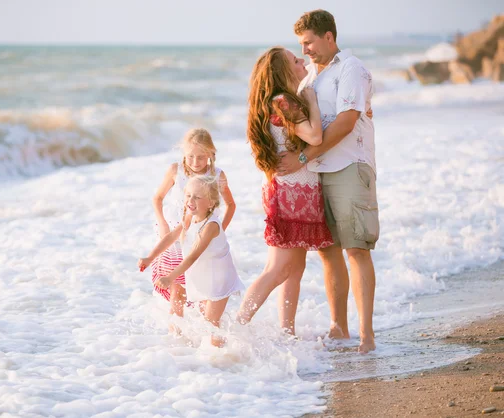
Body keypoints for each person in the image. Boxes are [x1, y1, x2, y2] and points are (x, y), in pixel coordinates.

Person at [277, 10, 379, 353]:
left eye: (308, 42)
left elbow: (348, 121)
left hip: (350, 166)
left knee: (356, 249)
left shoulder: (351, 68)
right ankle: (339, 329)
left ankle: (366, 336)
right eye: (301, 45)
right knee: (328, 252)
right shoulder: (310, 81)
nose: (305, 50)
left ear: (329, 37)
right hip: (319, 174)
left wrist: (303, 156)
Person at [235, 46, 334, 336]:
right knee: (278, 269)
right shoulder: (283, 102)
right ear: (283, 72)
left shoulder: (280, 101)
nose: (301, 60)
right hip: (292, 195)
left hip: (297, 193)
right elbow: (315, 136)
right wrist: (311, 100)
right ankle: (236, 326)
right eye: (294, 60)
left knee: (295, 268)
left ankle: (287, 332)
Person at [139, 175, 245, 347]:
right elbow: (171, 237)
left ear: (211, 203)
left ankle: (221, 360)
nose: (190, 200)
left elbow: (193, 255)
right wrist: (150, 257)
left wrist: (170, 277)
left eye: (197, 196)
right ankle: (221, 348)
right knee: (207, 319)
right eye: (188, 195)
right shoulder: (190, 217)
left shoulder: (211, 226)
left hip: (219, 279)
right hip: (203, 275)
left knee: (211, 324)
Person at [149, 128, 236, 322]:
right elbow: (157, 198)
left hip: (201, 235)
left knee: (204, 288)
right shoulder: (175, 171)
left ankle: (204, 333)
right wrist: (163, 224)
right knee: (177, 289)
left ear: (210, 155)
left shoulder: (217, 175)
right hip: (175, 235)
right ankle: (177, 336)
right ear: (183, 154)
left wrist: (217, 231)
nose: (195, 162)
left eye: (201, 157)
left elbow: (231, 205)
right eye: (190, 157)